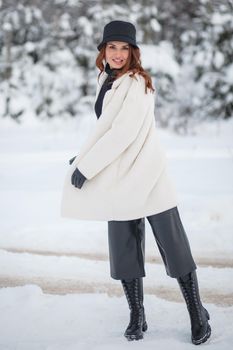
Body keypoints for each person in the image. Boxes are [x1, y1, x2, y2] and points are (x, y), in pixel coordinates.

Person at [60, 20, 211, 345]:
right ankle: (137, 315)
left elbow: (123, 133)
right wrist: (82, 157)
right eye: (111, 47)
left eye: (123, 47)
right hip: (120, 177)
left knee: (174, 248)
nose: (117, 53)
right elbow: (105, 130)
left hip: (148, 174)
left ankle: (197, 312)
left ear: (133, 52)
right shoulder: (106, 79)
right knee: (124, 248)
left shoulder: (138, 83)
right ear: (104, 50)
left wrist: (88, 166)